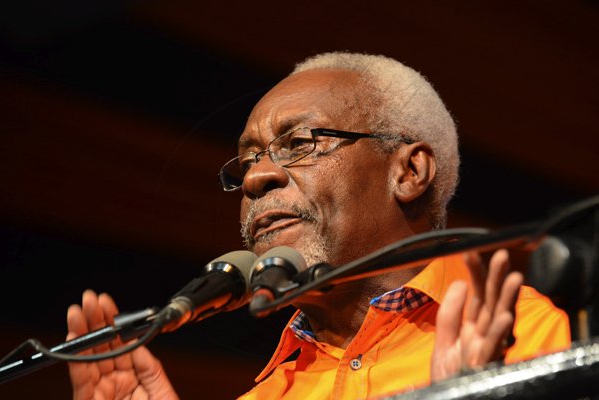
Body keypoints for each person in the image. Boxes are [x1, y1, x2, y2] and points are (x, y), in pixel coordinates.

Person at [66, 52, 570, 399]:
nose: (256, 177)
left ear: (409, 172)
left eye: (300, 143)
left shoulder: (542, 338)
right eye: (246, 162)